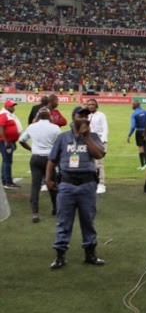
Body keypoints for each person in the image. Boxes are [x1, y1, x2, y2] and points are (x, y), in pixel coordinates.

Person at [46, 106, 106, 269]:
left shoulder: (93, 136)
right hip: (67, 184)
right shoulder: (63, 137)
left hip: (87, 184)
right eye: (80, 115)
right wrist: (48, 178)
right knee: (63, 221)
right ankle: (60, 255)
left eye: (86, 116)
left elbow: (99, 154)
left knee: (88, 220)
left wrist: (86, 138)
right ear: (73, 117)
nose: (83, 119)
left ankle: (90, 253)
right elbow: (52, 159)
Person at [19, 108, 61, 222]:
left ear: (38, 116)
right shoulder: (55, 128)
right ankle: (56, 208)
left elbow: (22, 140)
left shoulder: (32, 127)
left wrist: (32, 149)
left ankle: (35, 213)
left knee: (35, 185)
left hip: (36, 157)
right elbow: (60, 143)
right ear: (49, 116)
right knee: (52, 183)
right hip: (50, 158)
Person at [85, 99, 109, 194]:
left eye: (92, 104)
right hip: (88, 139)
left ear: (96, 106)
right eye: (89, 104)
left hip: (99, 139)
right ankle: (91, 182)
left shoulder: (101, 115)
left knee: (99, 163)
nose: (90, 106)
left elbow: (105, 128)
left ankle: (101, 184)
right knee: (88, 162)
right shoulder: (86, 116)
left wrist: (102, 141)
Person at [0, 100, 22, 189]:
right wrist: (6, 141)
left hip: (9, 141)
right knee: (7, 161)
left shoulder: (8, 115)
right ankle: (7, 181)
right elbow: (1, 127)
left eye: (13, 106)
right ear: (6, 107)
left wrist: (13, 142)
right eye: (11, 106)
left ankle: (5, 180)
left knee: (6, 161)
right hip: (5, 141)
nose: (13, 108)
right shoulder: (3, 115)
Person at [127, 100, 146, 170]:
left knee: (141, 148)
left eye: (132, 105)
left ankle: (142, 165)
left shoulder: (134, 114)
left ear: (135, 105)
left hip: (139, 131)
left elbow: (133, 126)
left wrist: (129, 135)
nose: (131, 106)